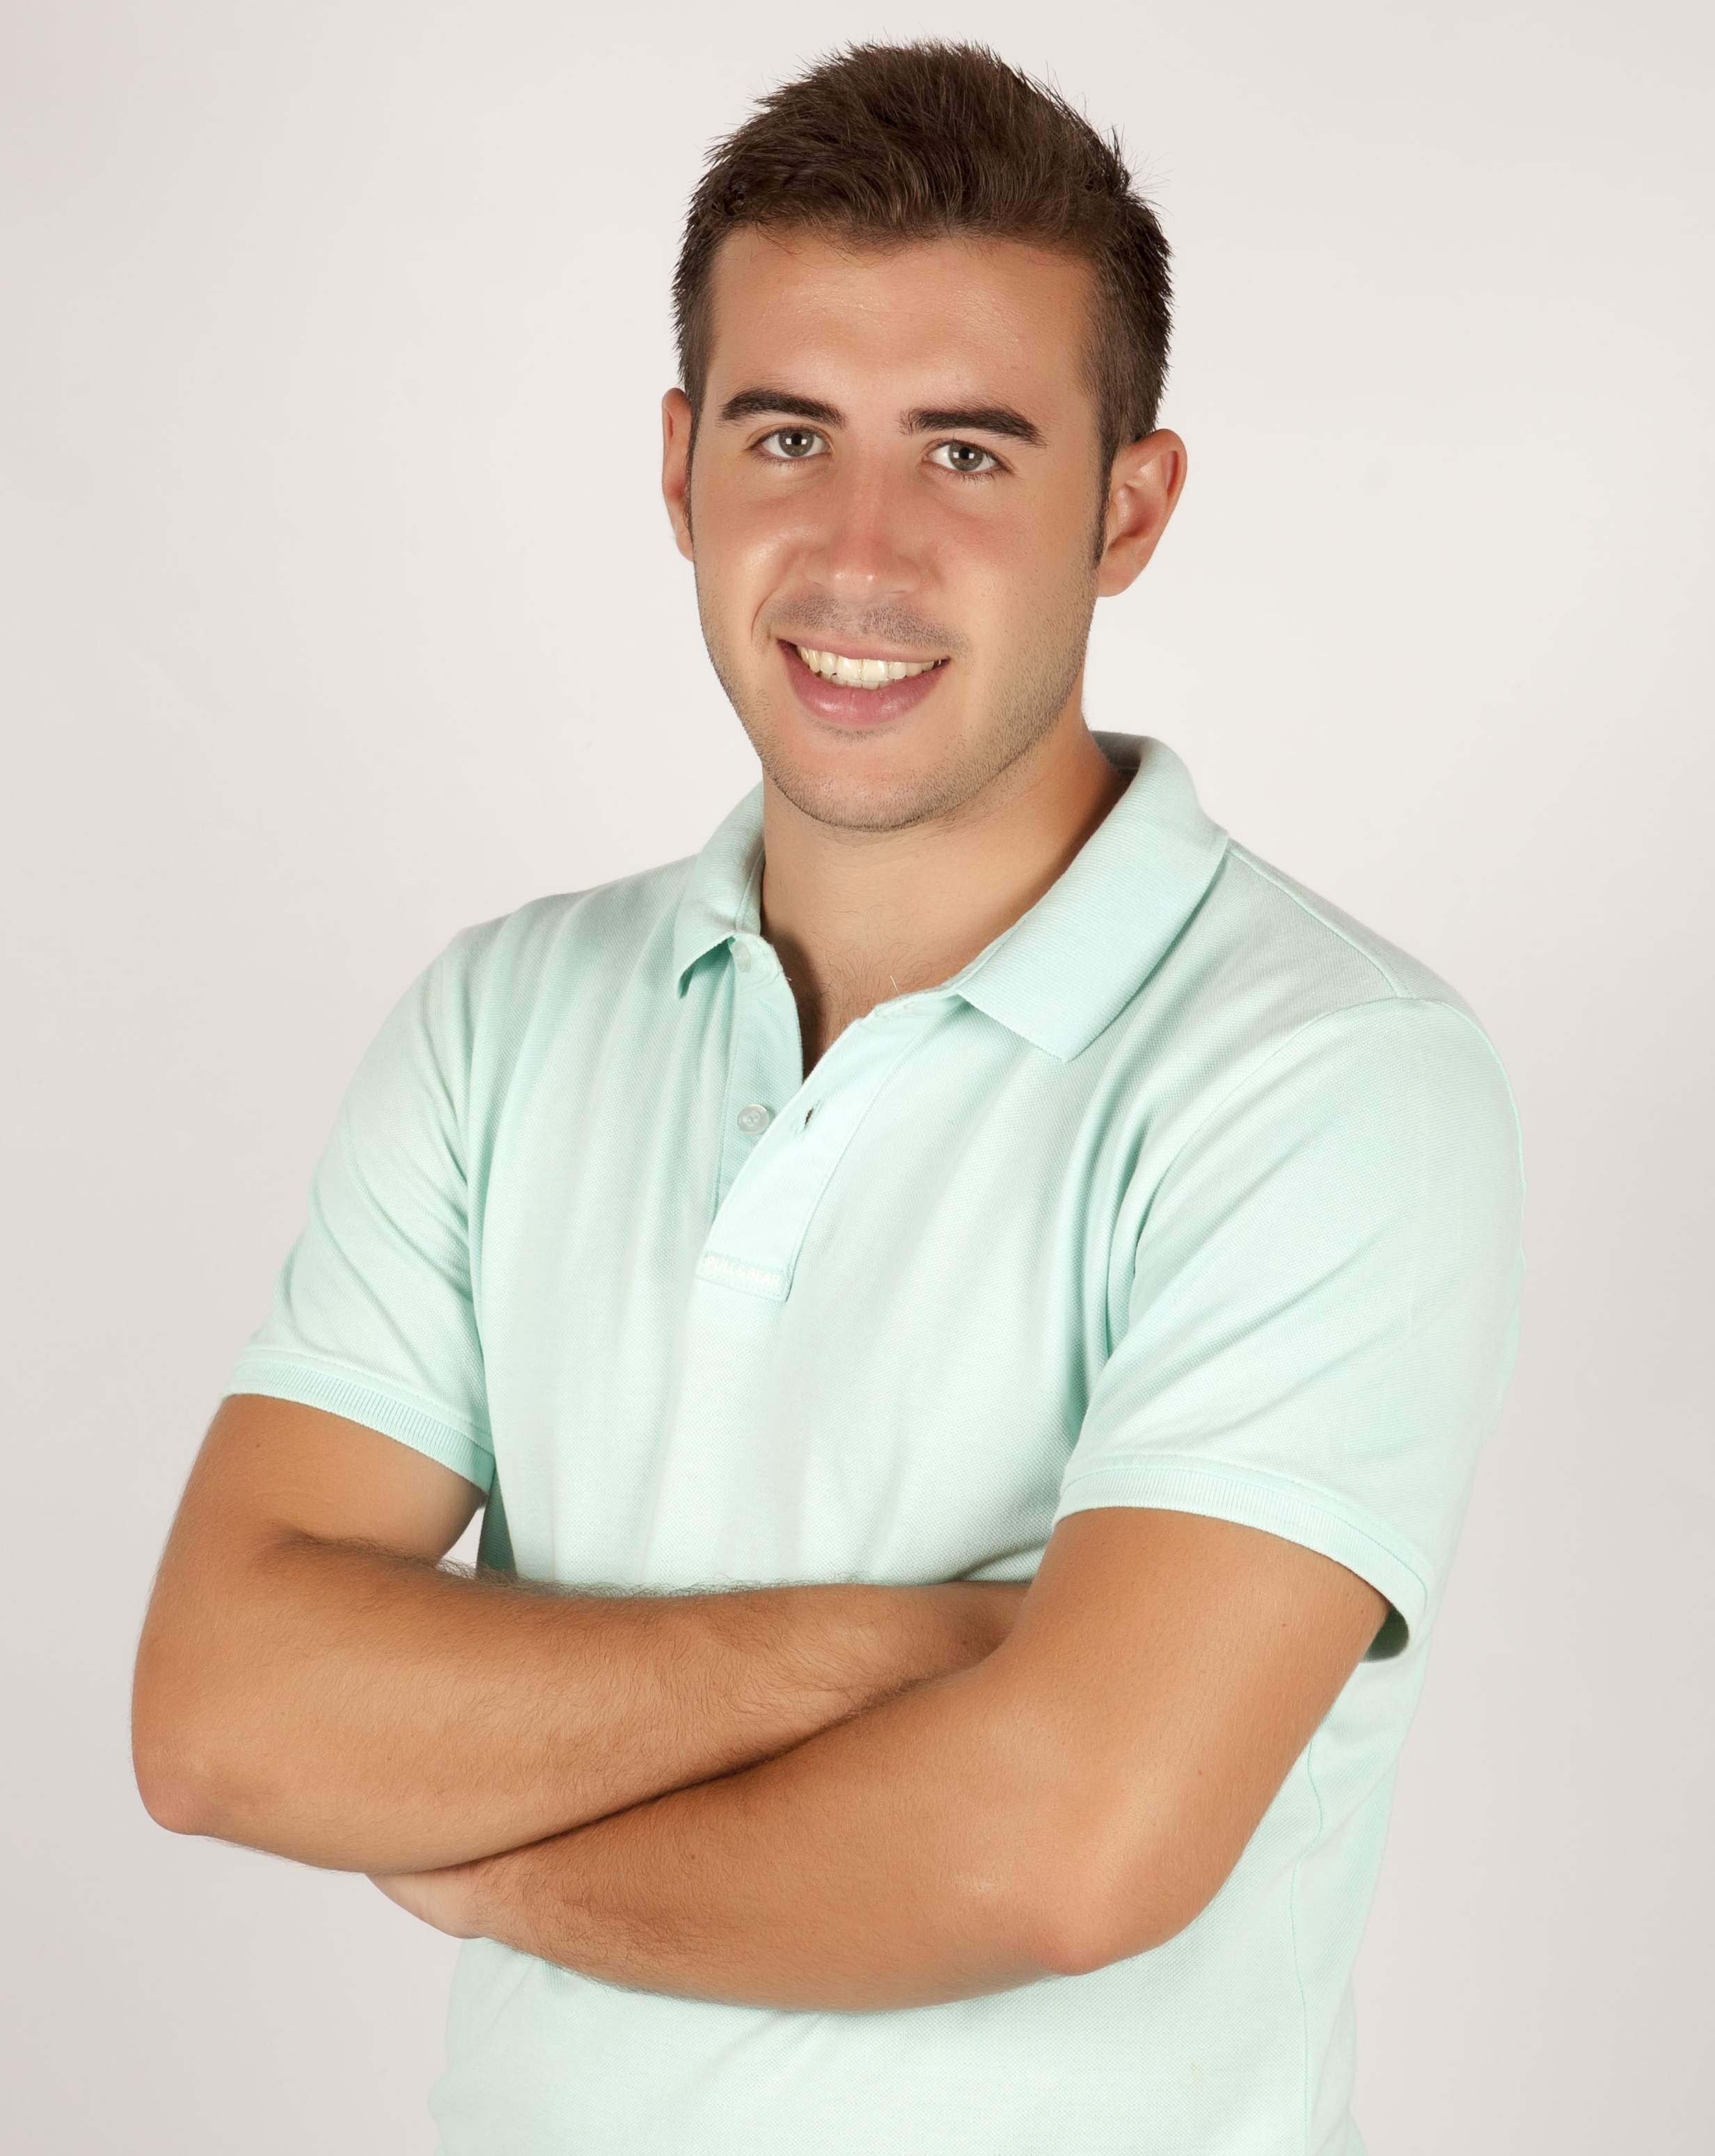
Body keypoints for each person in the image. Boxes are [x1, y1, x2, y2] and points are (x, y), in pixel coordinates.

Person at [132, 40, 1524, 2156]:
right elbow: (225, 1714)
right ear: (678, 467)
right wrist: (903, 1649)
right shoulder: (504, 1020)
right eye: (791, 436)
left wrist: (490, 1864)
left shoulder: (1326, 1077)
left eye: (968, 453)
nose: (860, 554)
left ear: (1129, 508)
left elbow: (1061, 1850)